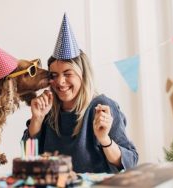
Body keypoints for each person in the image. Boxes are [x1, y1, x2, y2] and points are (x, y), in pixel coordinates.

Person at [22, 13, 138, 173]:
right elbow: (27, 160)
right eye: (54, 75)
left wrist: (104, 139)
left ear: (83, 75)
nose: (60, 82)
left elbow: (130, 163)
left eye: (67, 73)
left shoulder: (103, 107)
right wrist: (37, 120)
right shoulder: (47, 110)